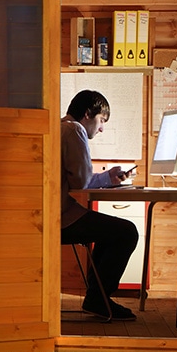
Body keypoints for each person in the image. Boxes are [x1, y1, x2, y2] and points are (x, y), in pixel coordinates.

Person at [61, 90, 140, 321]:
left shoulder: (60, 127)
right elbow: (81, 183)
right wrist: (104, 179)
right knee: (126, 232)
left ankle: (98, 299)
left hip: (51, 212)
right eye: (102, 120)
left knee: (111, 232)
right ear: (88, 114)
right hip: (61, 217)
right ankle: (98, 299)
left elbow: (78, 181)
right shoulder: (75, 130)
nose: (102, 128)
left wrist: (107, 178)